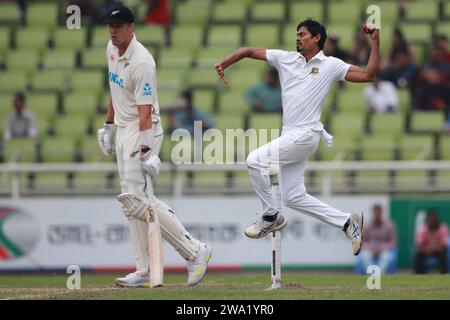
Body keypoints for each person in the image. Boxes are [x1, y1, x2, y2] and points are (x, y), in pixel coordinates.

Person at [214, 18, 380, 256]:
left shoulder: (330, 64)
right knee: (292, 197)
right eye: (297, 34)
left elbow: (368, 75)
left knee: (254, 161)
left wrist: (375, 42)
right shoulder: (285, 58)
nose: (298, 38)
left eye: (303, 34)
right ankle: (347, 222)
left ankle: (270, 215)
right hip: (290, 134)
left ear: (316, 38)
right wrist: (224, 62)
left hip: (307, 133)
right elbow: (249, 51)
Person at [97, 6, 212, 288]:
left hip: (143, 130)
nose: (113, 30)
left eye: (119, 25)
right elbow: (115, 89)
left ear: (132, 27)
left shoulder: (142, 62)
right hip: (124, 130)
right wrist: (109, 126)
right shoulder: (111, 50)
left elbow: (145, 113)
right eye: (110, 25)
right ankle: (144, 268)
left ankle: (195, 251)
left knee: (141, 200)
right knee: (131, 200)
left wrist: (148, 151)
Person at [359, 204, 397, 274]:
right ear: (372, 213)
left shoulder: (389, 225)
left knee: (386, 257)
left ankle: (378, 275)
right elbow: (362, 241)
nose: (377, 214)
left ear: (381, 212)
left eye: (378, 212)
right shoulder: (367, 225)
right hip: (370, 249)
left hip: (384, 249)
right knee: (365, 256)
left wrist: (382, 248)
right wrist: (371, 248)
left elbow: (393, 241)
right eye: (375, 212)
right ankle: (372, 274)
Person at [414, 210, 448, 274]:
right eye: (430, 219)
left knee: (444, 255)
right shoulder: (423, 228)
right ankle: (418, 275)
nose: (432, 221)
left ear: (437, 219)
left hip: (438, 251)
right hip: (425, 251)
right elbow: (418, 243)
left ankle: (444, 274)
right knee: (418, 255)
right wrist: (426, 249)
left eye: (433, 219)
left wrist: (433, 248)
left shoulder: (442, 228)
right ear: (428, 219)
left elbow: (444, 245)